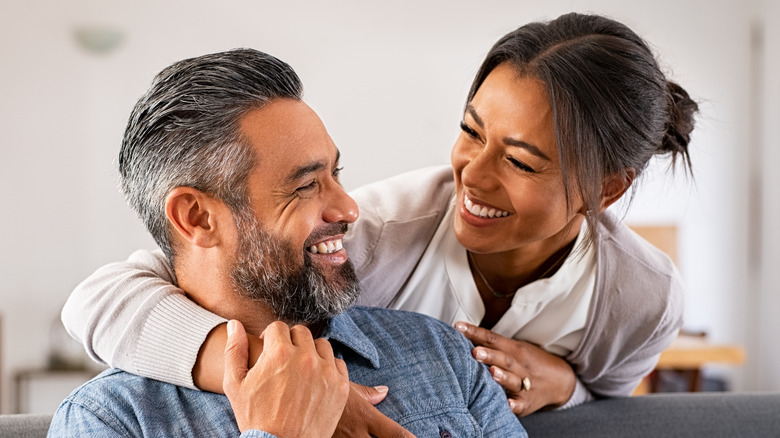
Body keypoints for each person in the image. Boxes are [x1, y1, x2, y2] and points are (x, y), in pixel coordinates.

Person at [62, 12, 699, 417]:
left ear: (605, 190)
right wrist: (264, 373)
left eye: (523, 162)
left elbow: (612, 400)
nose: (471, 175)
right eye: (470, 132)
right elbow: (117, 293)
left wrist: (565, 384)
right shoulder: (372, 233)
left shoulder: (641, 295)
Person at [48, 48, 526, 437]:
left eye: (335, 173)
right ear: (196, 218)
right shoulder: (111, 421)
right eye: (304, 186)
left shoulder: (440, 351)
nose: (348, 209)